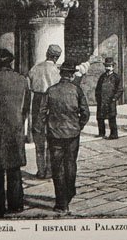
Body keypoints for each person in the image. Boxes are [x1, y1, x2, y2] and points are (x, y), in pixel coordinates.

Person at [39, 59, 90, 214]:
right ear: (72, 75)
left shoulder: (51, 90)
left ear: (61, 73)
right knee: (70, 164)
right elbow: (85, 113)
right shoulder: (77, 90)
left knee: (57, 167)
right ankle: (69, 193)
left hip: (55, 134)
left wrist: (46, 127)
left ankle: (61, 203)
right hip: (73, 134)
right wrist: (78, 126)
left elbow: (41, 113)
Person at [0, 49, 31, 218]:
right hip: (15, 130)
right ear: (10, 63)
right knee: (14, 169)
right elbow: (26, 107)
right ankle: (16, 204)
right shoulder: (21, 80)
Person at [27, 44, 61, 179]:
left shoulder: (35, 68)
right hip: (51, 104)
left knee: (39, 140)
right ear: (56, 57)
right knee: (52, 140)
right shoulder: (56, 70)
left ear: (47, 53)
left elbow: (29, 85)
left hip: (37, 102)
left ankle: (41, 171)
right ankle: (50, 171)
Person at [95, 57, 123, 140]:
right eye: (106, 66)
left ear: (113, 67)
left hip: (111, 101)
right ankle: (101, 133)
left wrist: (114, 98)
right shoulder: (102, 77)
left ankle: (114, 134)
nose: (108, 68)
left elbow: (120, 90)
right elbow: (98, 88)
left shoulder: (116, 77)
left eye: (110, 66)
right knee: (100, 118)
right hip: (102, 101)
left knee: (112, 118)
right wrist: (97, 98)